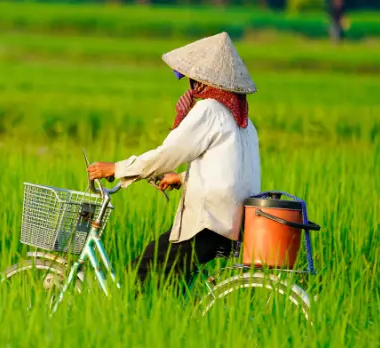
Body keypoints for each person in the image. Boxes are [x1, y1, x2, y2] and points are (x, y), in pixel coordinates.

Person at [86, 32, 261, 293]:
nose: (189, 86)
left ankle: (130, 322)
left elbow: (167, 154)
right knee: (170, 284)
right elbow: (229, 173)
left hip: (209, 222)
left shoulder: (209, 111)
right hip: (232, 221)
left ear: (201, 81)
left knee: (143, 270)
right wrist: (180, 178)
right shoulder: (244, 123)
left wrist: (117, 168)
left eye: (190, 79)